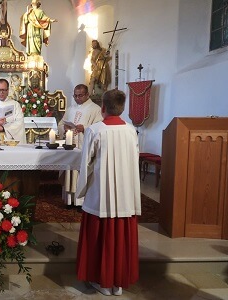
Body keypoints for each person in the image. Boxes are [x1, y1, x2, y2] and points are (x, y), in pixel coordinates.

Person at [75, 89, 141, 296]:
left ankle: (102, 283)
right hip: (125, 194)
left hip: (100, 194)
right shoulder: (131, 130)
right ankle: (118, 284)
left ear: (102, 107)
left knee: (99, 235)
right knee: (120, 236)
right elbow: (134, 160)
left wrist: (82, 190)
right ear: (122, 108)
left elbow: (86, 164)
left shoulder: (95, 130)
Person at [57, 84, 102, 208]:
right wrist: (64, 128)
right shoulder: (71, 108)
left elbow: (99, 128)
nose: (77, 98)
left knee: (82, 172)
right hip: (71, 146)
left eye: (80, 95)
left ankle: (81, 202)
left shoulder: (95, 109)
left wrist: (85, 128)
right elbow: (61, 124)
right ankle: (69, 200)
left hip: (84, 147)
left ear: (87, 95)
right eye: (75, 96)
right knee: (70, 172)